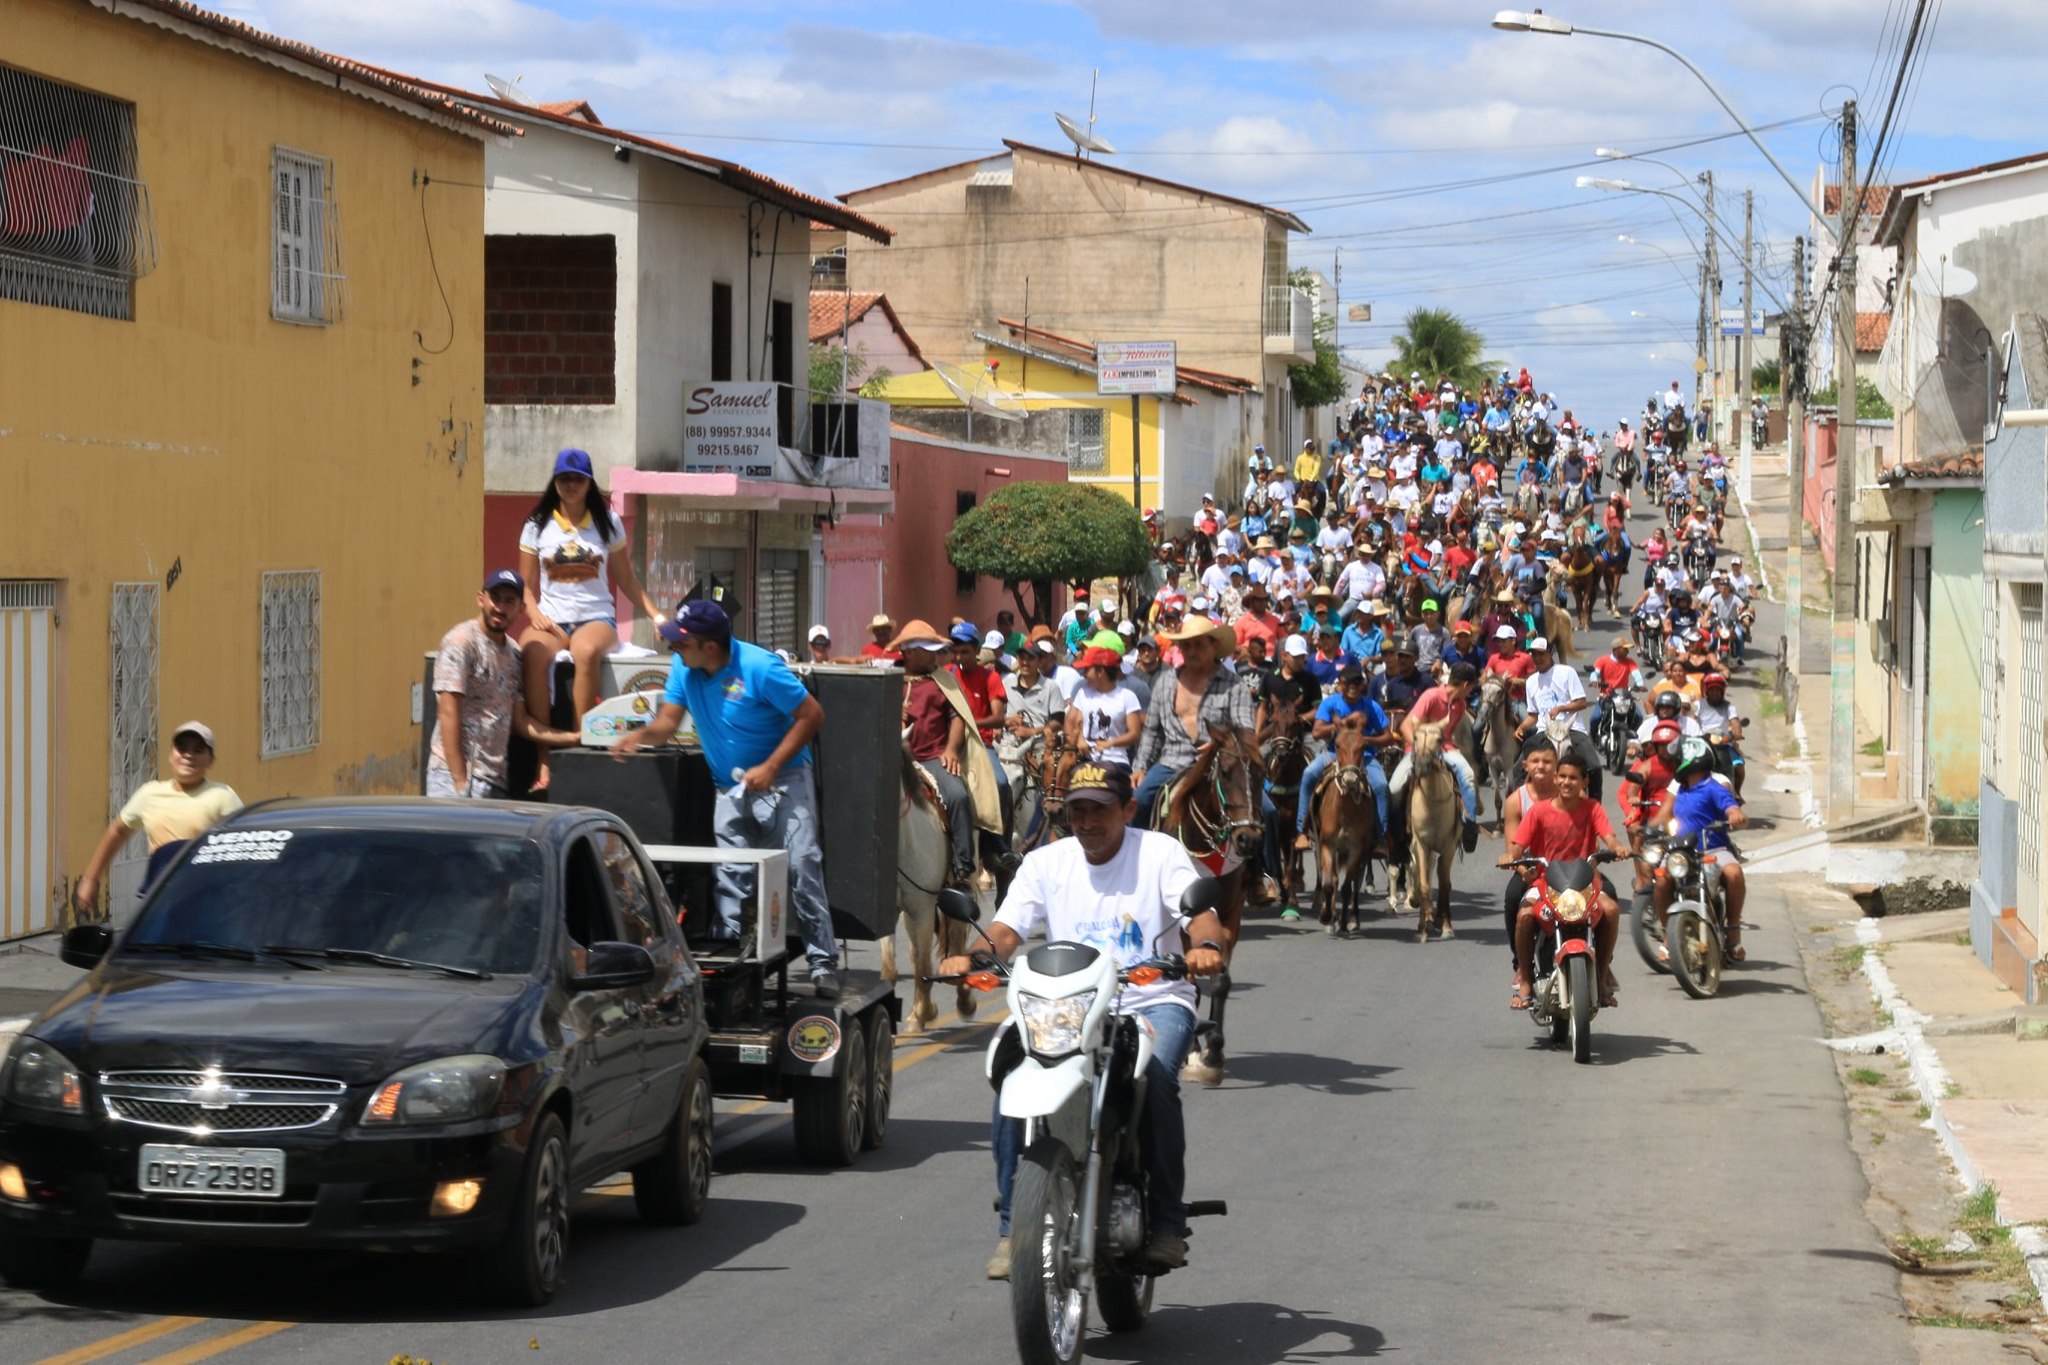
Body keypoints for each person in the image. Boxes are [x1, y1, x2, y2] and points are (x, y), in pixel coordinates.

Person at [944, 762, 1227, 1278]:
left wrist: (1205, 945)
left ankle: (1167, 1222)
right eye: (1078, 811)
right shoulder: (1045, 863)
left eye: (1100, 809)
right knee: (1010, 1072)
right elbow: (1006, 931)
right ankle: (1012, 1229)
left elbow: (1201, 916)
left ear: (1129, 809)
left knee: (1156, 1078)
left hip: (1151, 999)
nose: (1088, 822)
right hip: (1064, 1005)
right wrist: (973, 957)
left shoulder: (1161, 853)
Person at [609, 602, 841, 991]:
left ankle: (823, 962)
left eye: (682, 643)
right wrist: (639, 736)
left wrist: (771, 766)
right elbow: (667, 722)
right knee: (732, 876)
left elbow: (812, 715)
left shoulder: (760, 667)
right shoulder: (684, 666)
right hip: (728, 787)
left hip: (785, 780)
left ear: (710, 646)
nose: (674, 648)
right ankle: (734, 964)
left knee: (802, 866)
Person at [517, 448, 664, 790]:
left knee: (585, 651)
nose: (571, 485)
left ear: (589, 484)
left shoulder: (608, 523)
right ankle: (544, 756)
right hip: (552, 620)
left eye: (578, 479)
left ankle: (581, 745)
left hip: (596, 618)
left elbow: (626, 580)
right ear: (555, 482)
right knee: (532, 652)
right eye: (564, 479)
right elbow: (524, 586)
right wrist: (534, 613)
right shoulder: (536, 525)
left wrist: (657, 616)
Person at [430, 570, 581, 799]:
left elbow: (519, 722)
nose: (500, 607)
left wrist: (569, 738)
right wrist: (460, 782)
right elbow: (447, 711)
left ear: (521, 609)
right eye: (495, 598)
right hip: (452, 777)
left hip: (495, 780)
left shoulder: (514, 655)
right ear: (481, 599)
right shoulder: (461, 642)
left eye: (509, 601)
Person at [1501, 750, 1631, 1011]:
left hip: (1584, 882)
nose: (1566, 782)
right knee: (1524, 915)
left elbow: (1609, 836)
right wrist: (1511, 856)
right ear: (1555, 778)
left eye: (1573, 778)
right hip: (1545, 883)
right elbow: (1518, 845)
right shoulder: (1538, 812)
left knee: (1611, 910)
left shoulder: (1592, 808)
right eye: (1562, 776)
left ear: (1584, 782)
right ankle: (1525, 979)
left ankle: (1602, 974)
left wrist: (1617, 847)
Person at [73, 720, 241, 916]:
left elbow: (244, 844)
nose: (189, 755)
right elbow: (118, 831)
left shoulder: (223, 796)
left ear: (211, 760)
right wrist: (91, 879)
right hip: (160, 900)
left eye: (198, 750)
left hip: (207, 902)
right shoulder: (150, 794)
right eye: (182, 748)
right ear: (170, 755)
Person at [888, 620, 1011, 886]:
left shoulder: (943, 680)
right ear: (909, 652)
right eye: (928, 650)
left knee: (957, 796)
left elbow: (957, 719)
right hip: (895, 758)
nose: (936, 656)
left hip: (933, 757)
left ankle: (963, 866)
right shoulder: (889, 678)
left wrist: (951, 750)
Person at [1131, 616, 1257, 827]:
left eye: (1199, 644)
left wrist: (1222, 742)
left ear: (1214, 646)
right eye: (1186, 645)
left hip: (1221, 766)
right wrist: (1140, 768)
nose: (1192, 651)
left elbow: (1246, 731)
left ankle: (1271, 850)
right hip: (1172, 762)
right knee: (1139, 800)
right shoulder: (1165, 683)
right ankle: (1135, 849)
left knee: (1267, 813)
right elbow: (1152, 732)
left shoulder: (1234, 686)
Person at [1648, 738, 1751, 960]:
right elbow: (1663, 815)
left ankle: (1733, 930)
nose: (1674, 763)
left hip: (1714, 849)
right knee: (1661, 878)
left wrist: (1736, 815)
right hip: (1681, 852)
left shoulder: (1714, 787)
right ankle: (1668, 935)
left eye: (1678, 759)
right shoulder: (1679, 789)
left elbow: (1730, 807)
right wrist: (1648, 830)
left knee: (1734, 873)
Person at [1387, 662, 1484, 851]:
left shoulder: (1461, 705)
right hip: (1419, 749)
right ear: (1465, 685)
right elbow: (1406, 726)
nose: (1470, 691)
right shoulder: (1431, 696)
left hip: (1444, 749)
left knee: (1467, 775)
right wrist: (1419, 747)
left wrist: (1453, 746)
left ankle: (1469, 824)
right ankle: (1395, 835)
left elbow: (1448, 733)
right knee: (1394, 788)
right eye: (1471, 687)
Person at [1292, 665, 1392, 847]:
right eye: (1348, 684)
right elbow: (1316, 732)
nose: (1353, 687)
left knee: (1381, 786)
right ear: (1340, 685)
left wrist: (1366, 740)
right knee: (1308, 774)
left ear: (1363, 685)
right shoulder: (1330, 704)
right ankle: (1302, 830)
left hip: (1364, 755)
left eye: (1357, 683)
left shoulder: (1372, 706)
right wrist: (1342, 724)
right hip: (1334, 752)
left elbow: (1387, 736)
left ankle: (1381, 836)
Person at [1518, 636, 1603, 797]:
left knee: (1594, 767)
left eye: (1541, 654)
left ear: (1550, 653)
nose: (1537, 658)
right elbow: (1533, 715)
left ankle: (1594, 807)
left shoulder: (1566, 672)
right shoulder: (1531, 682)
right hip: (1544, 732)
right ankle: (1522, 808)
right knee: (1519, 771)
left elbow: (1581, 702)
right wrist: (1521, 727)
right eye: (1534, 654)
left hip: (1570, 728)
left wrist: (1561, 708)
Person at [1068, 646, 1146, 768]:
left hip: (1116, 761)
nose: (1084, 675)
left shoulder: (1127, 696)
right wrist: (1080, 739)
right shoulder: (1083, 693)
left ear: (1100, 672)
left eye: (1087, 670)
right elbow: (1073, 723)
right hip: (1085, 760)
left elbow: (1135, 734)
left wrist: (1111, 743)